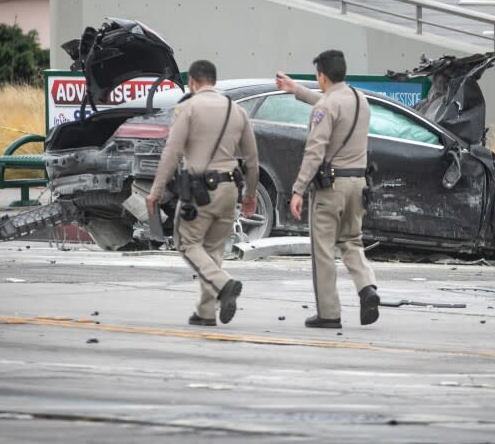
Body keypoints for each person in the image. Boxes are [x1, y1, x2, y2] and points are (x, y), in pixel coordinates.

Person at [147, 60, 259, 327]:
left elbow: (172, 152)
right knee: (213, 249)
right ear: (214, 80)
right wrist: (251, 194)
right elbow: (252, 159)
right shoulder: (236, 110)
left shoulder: (187, 108)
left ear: (193, 82)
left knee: (186, 244)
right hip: (231, 187)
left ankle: (224, 284)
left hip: (200, 191)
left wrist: (156, 191)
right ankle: (206, 312)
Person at [276, 49, 380, 329]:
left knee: (323, 250)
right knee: (352, 241)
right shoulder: (360, 100)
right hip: (359, 185)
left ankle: (329, 313)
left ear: (321, 76)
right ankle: (367, 287)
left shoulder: (326, 106)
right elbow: (329, 103)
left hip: (330, 188)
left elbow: (314, 151)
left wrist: (298, 189)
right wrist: (296, 90)